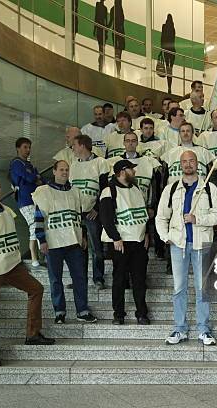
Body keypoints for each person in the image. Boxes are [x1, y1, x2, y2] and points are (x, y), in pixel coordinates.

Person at [0, 176, 55, 367]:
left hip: (13, 266)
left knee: (36, 289)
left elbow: (12, 239)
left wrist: (18, 262)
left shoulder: (7, 211)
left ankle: (32, 334)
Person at [156, 150, 217, 346]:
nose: (188, 164)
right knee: (179, 288)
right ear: (180, 165)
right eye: (184, 162)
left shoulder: (209, 188)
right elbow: (161, 216)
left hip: (202, 244)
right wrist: (165, 236)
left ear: (197, 164)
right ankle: (180, 328)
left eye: (191, 161)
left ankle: (203, 329)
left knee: (202, 288)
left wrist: (197, 219)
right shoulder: (171, 188)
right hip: (178, 245)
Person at [32, 160, 97, 324]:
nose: (64, 172)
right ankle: (59, 311)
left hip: (74, 242)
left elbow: (79, 216)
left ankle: (82, 311)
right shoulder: (43, 191)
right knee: (55, 279)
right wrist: (41, 240)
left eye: (67, 170)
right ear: (54, 171)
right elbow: (39, 219)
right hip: (53, 242)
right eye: (61, 169)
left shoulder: (75, 191)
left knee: (80, 277)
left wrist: (82, 235)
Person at [100, 159, 151, 325]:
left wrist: (147, 234)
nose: (134, 172)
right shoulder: (109, 191)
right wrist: (115, 238)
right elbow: (106, 219)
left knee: (139, 279)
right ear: (122, 172)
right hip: (120, 243)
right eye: (131, 169)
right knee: (119, 279)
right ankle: (118, 314)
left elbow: (142, 214)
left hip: (138, 241)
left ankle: (141, 313)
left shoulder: (135, 189)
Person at [70, 134, 110, 289]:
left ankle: (98, 278)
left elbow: (105, 188)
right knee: (78, 248)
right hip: (76, 213)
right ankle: (80, 280)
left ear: (82, 145)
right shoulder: (73, 165)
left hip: (92, 212)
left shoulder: (100, 162)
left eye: (74, 145)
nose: (72, 148)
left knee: (96, 248)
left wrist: (97, 208)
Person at [10, 137, 42, 267]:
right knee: (34, 225)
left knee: (39, 225)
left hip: (35, 198)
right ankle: (34, 256)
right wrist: (35, 178)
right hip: (25, 200)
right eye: (25, 147)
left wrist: (34, 178)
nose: (28, 150)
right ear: (18, 148)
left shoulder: (29, 164)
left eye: (29, 147)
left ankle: (39, 255)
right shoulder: (16, 163)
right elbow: (29, 177)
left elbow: (40, 179)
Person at [108, 0, 125, 78]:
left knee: (117, 53)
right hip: (119, 33)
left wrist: (106, 27)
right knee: (119, 54)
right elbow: (122, 21)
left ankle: (118, 70)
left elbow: (111, 21)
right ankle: (118, 71)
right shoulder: (119, 9)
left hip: (116, 32)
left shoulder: (114, 9)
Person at [161, 14, 176, 94]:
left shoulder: (164, 26)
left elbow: (162, 38)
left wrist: (162, 49)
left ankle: (169, 86)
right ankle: (170, 86)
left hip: (166, 50)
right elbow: (173, 40)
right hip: (172, 50)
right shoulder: (173, 28)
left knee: (167, 68)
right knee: (171, 69)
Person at [94, 0, 108, 72]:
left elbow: (96, 17)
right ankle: (101, 64)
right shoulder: (99, 5)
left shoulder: (102, 7)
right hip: (101, 29)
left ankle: (101, 64)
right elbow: (96, 17)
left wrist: (94, 29)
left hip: (101, 29)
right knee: (101, 48)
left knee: (101, 48)